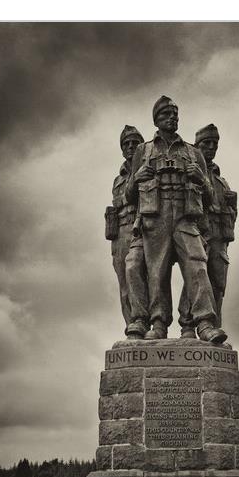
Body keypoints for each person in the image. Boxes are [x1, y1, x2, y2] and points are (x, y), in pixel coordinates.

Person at [124, 96, 226, 343]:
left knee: (197, 265)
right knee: (156, 273)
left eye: (175, 115)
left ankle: (204, 323)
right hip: (155, 218)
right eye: (165, 115)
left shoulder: (193, 152)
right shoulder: (143, 150)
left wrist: (201, 178)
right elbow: (129, 196)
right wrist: (137, 177)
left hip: (185, 218)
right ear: (156, 120)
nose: (171, 119)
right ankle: (158, 324)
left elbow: (211, 197)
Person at [178, 123, 237, 336]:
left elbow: (230, 215)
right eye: (206, 143)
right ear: (197, 146)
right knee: (196, 276)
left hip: (220, 237)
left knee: (218, 283)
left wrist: (234, 204)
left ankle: (214, 326)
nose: (211, 147)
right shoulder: (190, 171)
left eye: (214, 143)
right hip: (199, 231)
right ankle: (187, 324)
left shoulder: (222, 181)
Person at [104, 125, 148, 336]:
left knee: (142, 276)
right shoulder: (119, 178)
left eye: (134, 143)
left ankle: (146, 323)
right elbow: (119, 201)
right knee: (124, 283)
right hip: (121, 230)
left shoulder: (149, 169)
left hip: (144, 228)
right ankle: (133, 327)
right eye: (126, 144)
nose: (130, 147)